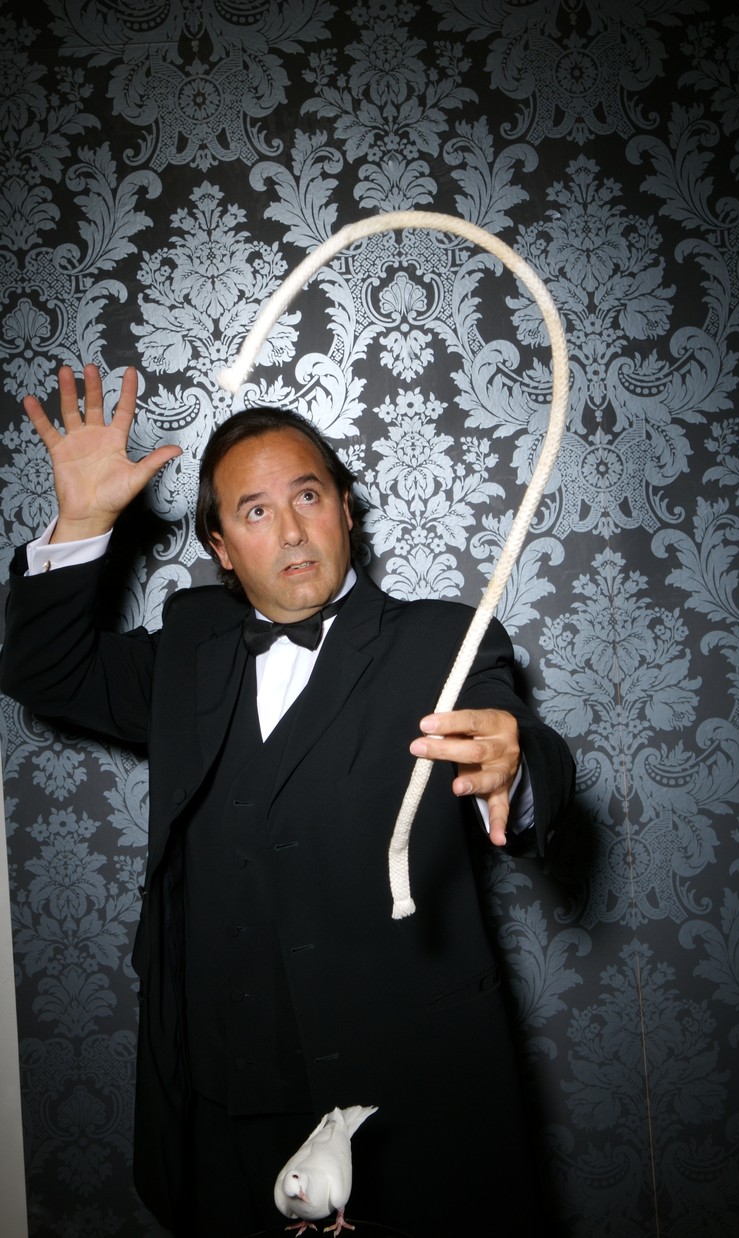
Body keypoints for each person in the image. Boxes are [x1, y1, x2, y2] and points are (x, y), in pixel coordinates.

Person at [2, 364, 575, 1237]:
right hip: (224, 1101)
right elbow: (44, 672)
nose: (293, 530)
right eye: (256, 511)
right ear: (224, 549)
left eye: (308, 496)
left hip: (408, 1094)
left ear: (345, 508)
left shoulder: (443, 641)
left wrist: (516, 766)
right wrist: (81, 523)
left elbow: (520, 743)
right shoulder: (189, 646)